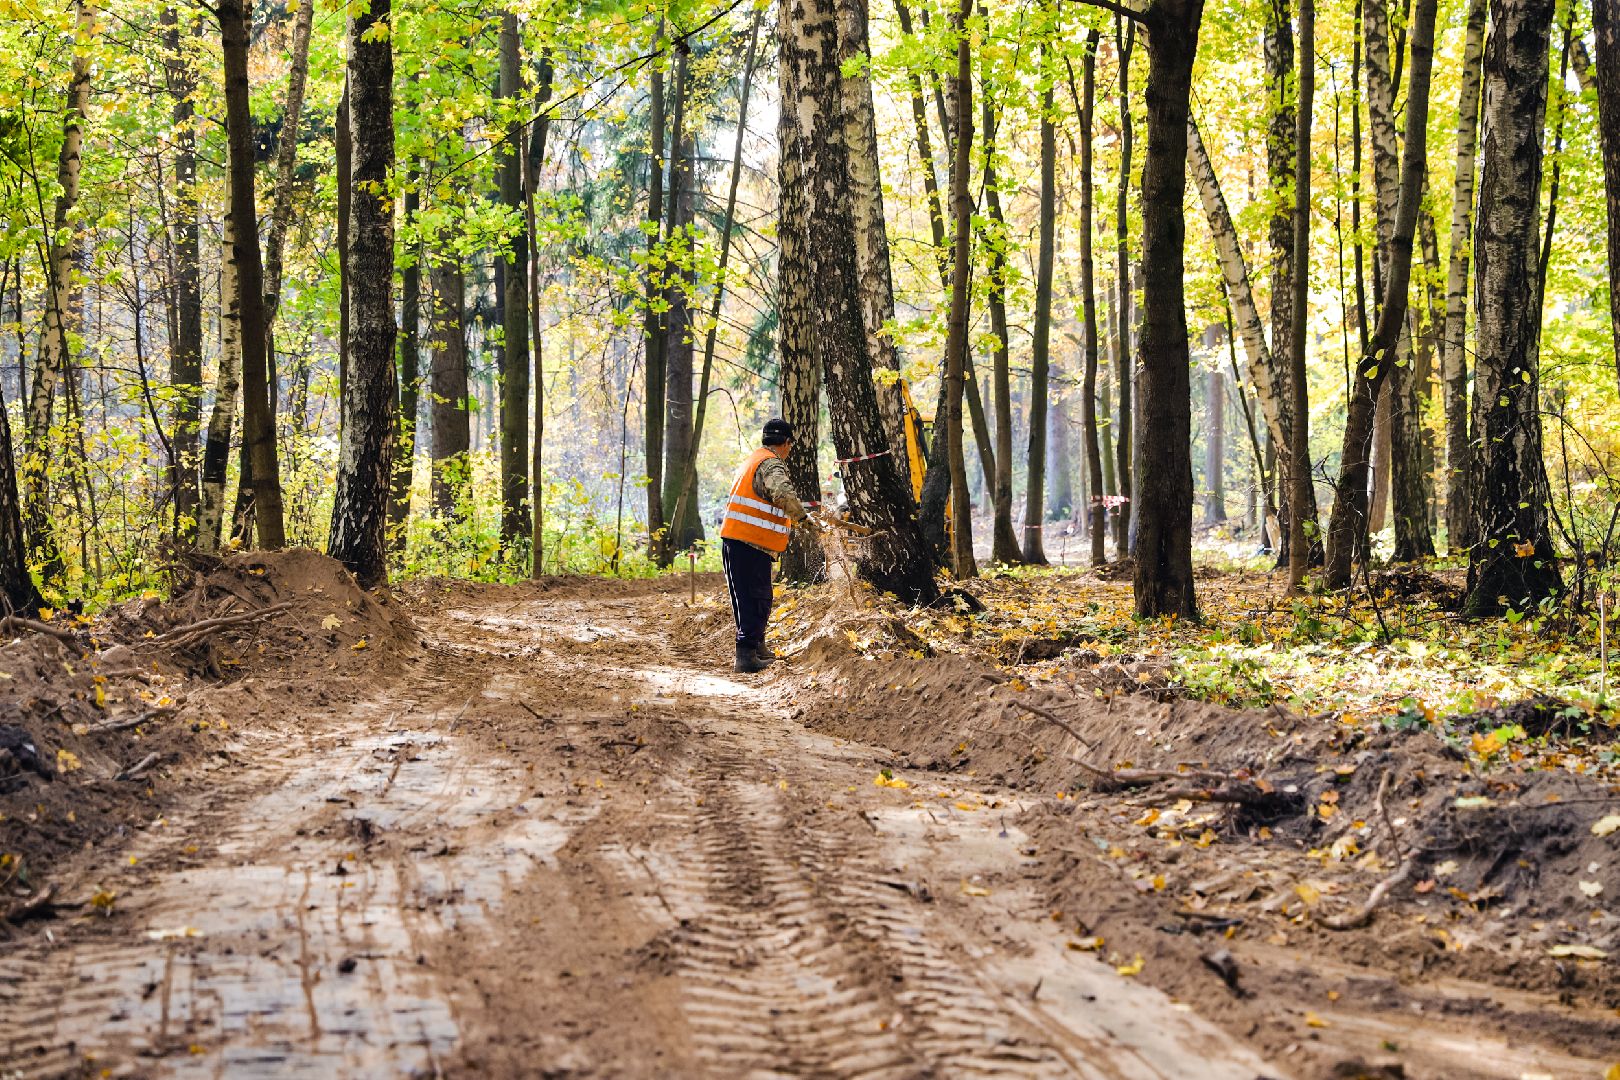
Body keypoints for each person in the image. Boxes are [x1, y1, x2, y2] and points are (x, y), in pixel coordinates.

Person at [719, 418, 816, 673]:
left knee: (745, 598)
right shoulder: (771, 463)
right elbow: (783, 494)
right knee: (757, 598)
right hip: (751, 543)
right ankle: (746, 656)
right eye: (790, 445)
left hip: (736, 539)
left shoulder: (753, 460)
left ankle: (755, 647)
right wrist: (804, 520)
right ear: (786, 443)